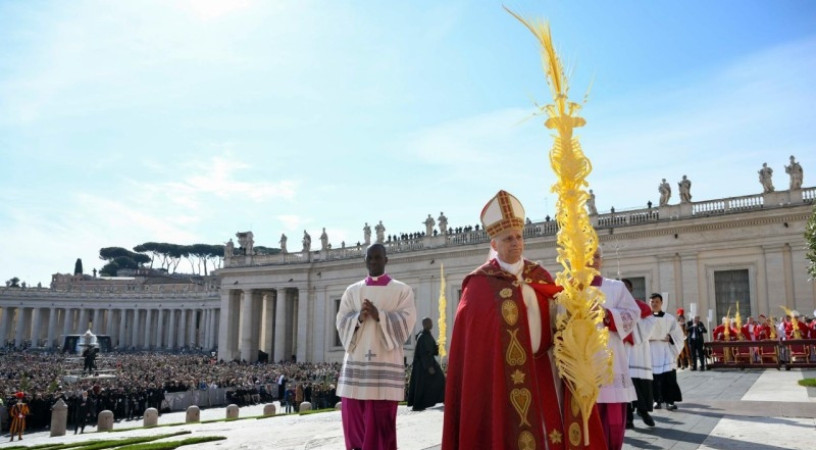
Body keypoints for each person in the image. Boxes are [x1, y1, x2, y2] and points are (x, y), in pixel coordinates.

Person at [442, 190, 606, 450]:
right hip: (501, 379)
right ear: (494, 244)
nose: (516, 243)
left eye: (519, 237)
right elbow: (474, 344)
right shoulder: (478, 285)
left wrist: (575, 311)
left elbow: (559, 319)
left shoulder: (539, 275)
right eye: (508, 238)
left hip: (545, 371)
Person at [335, 244, 416, 450]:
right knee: (354, 422)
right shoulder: (352, 291)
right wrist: (359, 318)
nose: (373, 261)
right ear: (364, 260)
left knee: (380, 425)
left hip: (384, 366)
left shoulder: (402, 290)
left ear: (386, 260)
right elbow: (341, 322)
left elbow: (407, 320)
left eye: (378, 257)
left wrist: (379, 315)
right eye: (369, 258)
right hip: (356, 366)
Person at [590, 251, 641, 449]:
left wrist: (607, 314)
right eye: (588, 254)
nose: (593, 260)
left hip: (611, 359)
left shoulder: (616, 287)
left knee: (612, 418)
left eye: (597, 256)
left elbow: (633, 313)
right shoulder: (569, 288)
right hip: (581, 362)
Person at [622, 279, 657, 430]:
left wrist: (631, 331)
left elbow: (650, 324)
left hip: (638, 351)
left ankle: (643, 411)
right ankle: (628, 419)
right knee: (623, 385)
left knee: (640, 383)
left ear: (631, 290)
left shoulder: (641, 306)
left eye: (626, 288)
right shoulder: (613, 306)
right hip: (621, 350)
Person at [648, 293, 684, 410]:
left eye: (657, 302)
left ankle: (670, 401)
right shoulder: (645, 319)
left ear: (662, 303)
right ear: (649, 303)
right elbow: (639, 334)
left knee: (669, 377)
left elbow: (679, 335)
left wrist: (671, 338)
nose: (654, 304)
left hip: (665, 350)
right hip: (651, 351)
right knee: (654, 378)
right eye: (652, 302)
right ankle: (657, 400)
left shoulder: (669, 318)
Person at [407, 317, 445, 412]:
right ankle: (418, 405)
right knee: (423, 385)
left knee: (440, 379)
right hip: (423, 367)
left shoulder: (427, 335)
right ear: (425, 324)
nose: (432, 324)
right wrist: (429, 367)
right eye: (430, 323)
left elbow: (432, 350)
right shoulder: (422, 337)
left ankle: (442, 398)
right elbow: (423, 353)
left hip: (428, 363)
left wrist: (438, 347)